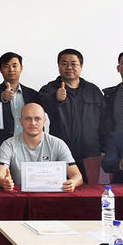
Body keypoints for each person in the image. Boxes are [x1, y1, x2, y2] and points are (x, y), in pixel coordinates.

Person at [38, 48, 103, 183]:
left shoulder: (93, 90)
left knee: (91, 192)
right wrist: (55, 98)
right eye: (64, 63)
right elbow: (37, 112)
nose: (69, 67)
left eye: (73, 64)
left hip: (90, 155)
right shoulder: (49, 89)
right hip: (60, 154)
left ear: (81, 66)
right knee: (62, 190)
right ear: (58, 66)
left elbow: (105, 121)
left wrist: (105, 148)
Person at [0, 103, 83, 192]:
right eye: (28, 119)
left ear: (44, 121)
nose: (33, 123)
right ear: (21, 121)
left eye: (37, 119)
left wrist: (73, 182)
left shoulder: (58, 144)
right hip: (20, 197)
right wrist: (3, 182)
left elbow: (77, 175)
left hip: (51, 196)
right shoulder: (8, 144)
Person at [0, 52, 38, 163]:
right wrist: (2, 97)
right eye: (6, 66)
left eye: (14, 65)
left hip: (28, 147)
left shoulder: (33, 94)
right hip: (0, 147)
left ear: (21, 68)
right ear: (0, 69)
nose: (11, 70)